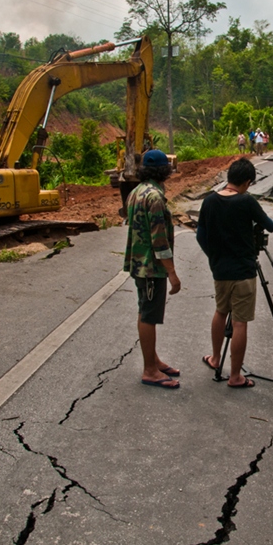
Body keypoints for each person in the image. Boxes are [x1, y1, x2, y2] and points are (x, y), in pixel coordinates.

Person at [196, 158, 273, 389]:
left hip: (219, 270)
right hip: (243, 271)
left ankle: (215, 358)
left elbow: (201, 236)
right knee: (240, 323)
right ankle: (235, 376)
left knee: (221, 312)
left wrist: (214, 256)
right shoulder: (246, 201)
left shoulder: (209, 201)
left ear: (229, 177)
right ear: (247, 182)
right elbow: (269, 226)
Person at [123, 149, 182, 389]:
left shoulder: (136, 191)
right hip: (150, 266)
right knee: (148, 316)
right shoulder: (155, 198)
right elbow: (159, 240)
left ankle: (153, 360)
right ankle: (149, 369)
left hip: (139, 263)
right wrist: (173, 274)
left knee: (146, 311)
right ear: (164, 171)